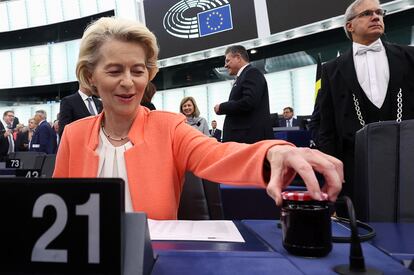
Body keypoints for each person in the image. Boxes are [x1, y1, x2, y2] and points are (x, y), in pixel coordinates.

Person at [53, 17, 343, 220]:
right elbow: (56, 208)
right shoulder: (74, 135)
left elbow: (218, 154)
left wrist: (274, 151)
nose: (129, 82)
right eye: (115, 71)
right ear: (91, 76)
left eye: (138, 71)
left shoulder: (169, 127)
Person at [318, 0, 414, 201]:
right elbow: (325, 125)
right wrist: (330, 170)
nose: (376, 17)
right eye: (367, 13)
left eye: (380, 12)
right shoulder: (331, 69)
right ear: (350, 26)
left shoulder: (410, 56)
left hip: (408, 162)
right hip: (355, 168)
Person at [214, 45, 273, 144]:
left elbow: (248, 102)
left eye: (227, 61)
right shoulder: (244, 75)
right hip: (244, 140)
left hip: (249, 140)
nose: (225, 65)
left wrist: (222, 107)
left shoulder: (251, 73)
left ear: (238, 57)